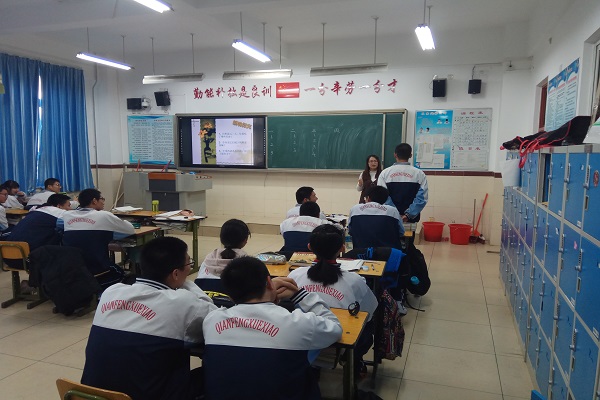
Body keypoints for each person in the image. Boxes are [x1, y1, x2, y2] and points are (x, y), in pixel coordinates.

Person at [81, 236, 217, 400]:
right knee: (220, 372)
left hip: (91, 396)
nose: (190, 268)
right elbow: (214, 319)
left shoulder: (111, 292)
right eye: (189, 264)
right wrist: (185, 283)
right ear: (175, 273)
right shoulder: (182, 302)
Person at [202, 256, 342, 400]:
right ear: (269, 282)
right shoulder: (297, 323)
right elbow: (335, 328)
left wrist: (268, 294)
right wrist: (299, 295)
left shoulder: (212, 321)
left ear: (230, 296)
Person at [288, 224, 378, 379]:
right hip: (337, 339)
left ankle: (314, 367)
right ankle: (355, 361)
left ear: (309, 247)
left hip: (301, 336)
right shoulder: (355, 280)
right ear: (342, 248)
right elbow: (370, 310)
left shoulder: (294, 275)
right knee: (368, 325)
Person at [61, 188, 135, 289]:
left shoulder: (67, 215)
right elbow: (130, 230)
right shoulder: (103, 215)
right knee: (124, 275)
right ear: (94, 201)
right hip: (98, 267)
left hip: (72, 268)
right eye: (102, 199)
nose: (103, 202)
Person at [377, 143, 428, 223]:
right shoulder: (419, 174)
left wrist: (395, 213)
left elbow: (382, 196)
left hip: (390, 217)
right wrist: (408, 215)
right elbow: (422, 198)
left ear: (395, 155)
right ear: (410, 155)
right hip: (411, 219)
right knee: (409, 231)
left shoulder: (385, 173)